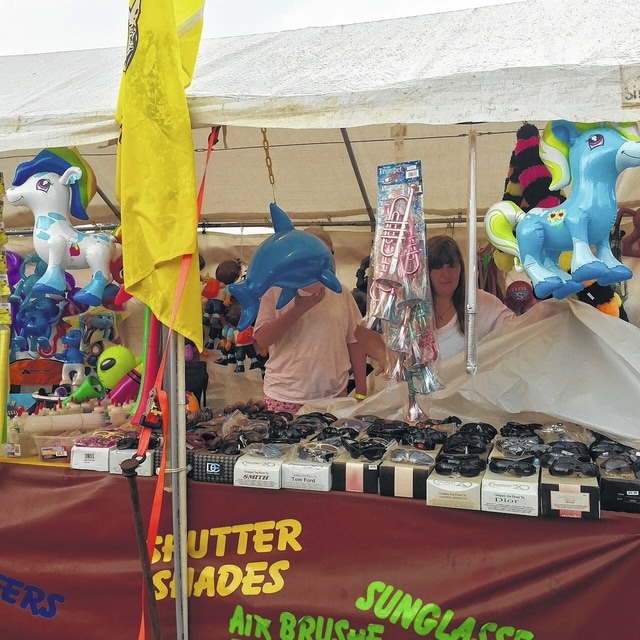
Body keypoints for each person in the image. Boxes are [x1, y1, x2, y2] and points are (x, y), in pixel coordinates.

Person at [253, 226, 385, 414]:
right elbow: (262, 340)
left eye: (329, 253)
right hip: (283, 397)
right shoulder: (275, 289)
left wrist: (361, 393)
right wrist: (297, 311)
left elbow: (356, 342)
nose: (324, 259)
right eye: (315, 253)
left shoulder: (342, 292)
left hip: (333, 397)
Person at [427, 235, 514, 360]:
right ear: (426, 271)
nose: (446, 274)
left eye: (451, 265)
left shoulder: (484, 302)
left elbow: (516, 331)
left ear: (461, 267)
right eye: (438, 267)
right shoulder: (412, 311)